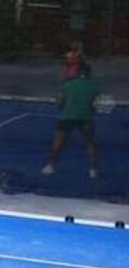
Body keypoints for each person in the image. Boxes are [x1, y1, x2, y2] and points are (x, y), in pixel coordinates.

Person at [43, 49, 101, 179]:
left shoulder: (67, 85)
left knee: (58, 142)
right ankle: (93, 170)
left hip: (67, 117)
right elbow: (98, 105)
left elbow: (59, 104)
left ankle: (50, 166)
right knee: (90, 143)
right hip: (86, 119)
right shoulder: (95, 87)